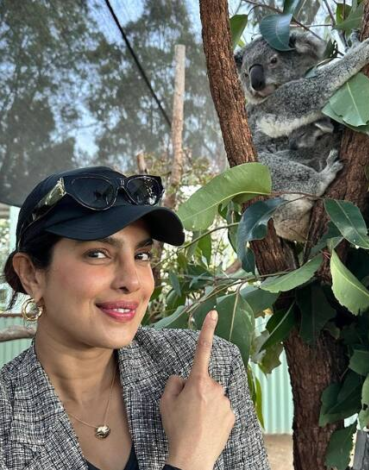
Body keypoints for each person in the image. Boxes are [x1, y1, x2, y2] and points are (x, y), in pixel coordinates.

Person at [0, 166, 270, 470]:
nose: (134, 280)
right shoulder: (7, 422)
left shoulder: (206, 373)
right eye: (98, 253)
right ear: (31, 275)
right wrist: (189, 461)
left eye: (142, 256)